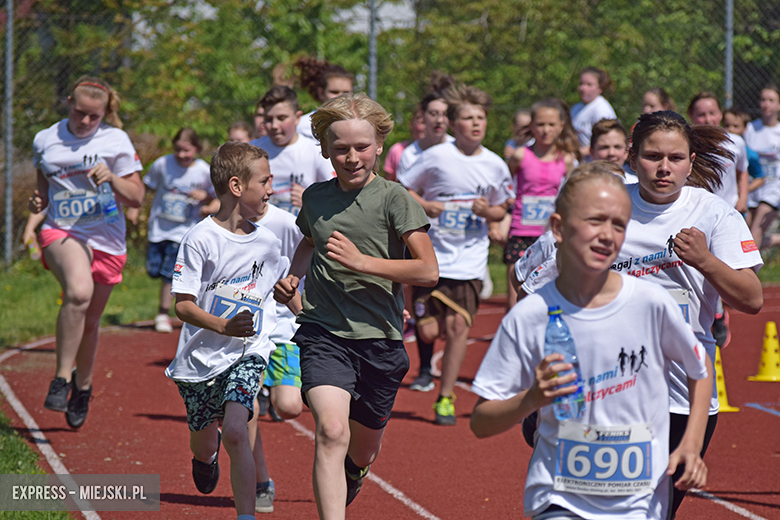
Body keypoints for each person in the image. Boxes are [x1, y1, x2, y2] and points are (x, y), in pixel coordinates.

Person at [508, 111, 764, 517]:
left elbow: (751, 299)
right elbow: (526, 279)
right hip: (596, 388)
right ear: (632, 156)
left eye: (676, 158)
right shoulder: (602, 204)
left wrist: (705, 261)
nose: (664, 168)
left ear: (691, 162)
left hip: (678, 395)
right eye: (652, 156)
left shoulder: (714, 214)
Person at [470, 168, 712, 520]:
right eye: (595, 221)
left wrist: (691, 444)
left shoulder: (651, 304)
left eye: (618, 224)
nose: (607, 235)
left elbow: (700, 370)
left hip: (640, 504)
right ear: (559, 228)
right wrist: (532, 399)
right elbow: (480, 422)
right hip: (559, 499)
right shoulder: (530, 316)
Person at [273, 93, 438, 518]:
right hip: (324, 332)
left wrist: (364, 263)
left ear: (379, 145)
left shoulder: (394, 199)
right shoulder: (315, 199)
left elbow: (428, 271)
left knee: (362, 451)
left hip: (380, 341)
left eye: (361, 147)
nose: (351, 157)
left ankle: (356, 469)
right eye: (340, 148)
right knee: (330, 430)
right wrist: (294, 276)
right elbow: (308, 242)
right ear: (326, 150)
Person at [166, 141, 289, 520]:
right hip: (200, 360)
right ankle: (205, 456)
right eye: (265, 181)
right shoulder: (199, 239)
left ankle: (246, 515)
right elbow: (183, 305)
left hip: (248, 350)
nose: (272, 189)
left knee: (237, 430)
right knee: (206, 444)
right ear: (237, 186)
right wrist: (221, 324)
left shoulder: (268, 243)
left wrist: (297, 300)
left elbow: (281, 292)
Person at [29, 76, 144, 429]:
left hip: (107, 237)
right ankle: (61, 379)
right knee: (78, 292)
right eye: (80, 113)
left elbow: (136, 197)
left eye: (94, 117)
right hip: (62, 231)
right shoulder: (46, 139)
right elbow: (42, 191)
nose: (85, 122)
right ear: (68, 103)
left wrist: (112, 178)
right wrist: (37, 205)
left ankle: (83, 386)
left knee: (91, 322)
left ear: (104, 114)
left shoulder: (115, 140)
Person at [400, 84, 513, 425]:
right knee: (431, 332)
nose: (476, 124)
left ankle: (445, 397)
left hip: (469, 259)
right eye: (467, 117)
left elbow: (503, 207)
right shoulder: (435, 157)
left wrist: (488, 212)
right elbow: (403, 190)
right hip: (432, 255)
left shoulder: (495, 165)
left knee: (458, 326)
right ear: (453, 123)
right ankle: (424, 332)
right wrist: (426, 204)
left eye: (481, 118)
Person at [247, 196, 306, 513]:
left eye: (269, 181)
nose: (268, 190)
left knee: (290, 407)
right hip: (243, 331)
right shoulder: (214, 229)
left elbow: (312, 252)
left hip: (282, 327)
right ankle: (261, 482)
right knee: (247, 410)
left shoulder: (285, 222)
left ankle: (271, 392)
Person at [503, 98, 578, 310]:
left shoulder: (568, 159)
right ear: (531, 126)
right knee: (516, 294)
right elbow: (504, 187)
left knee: (550, 293)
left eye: (552, 124)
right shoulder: (520, 155)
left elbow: (572, 193)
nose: (546, 130)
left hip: (552, 234)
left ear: (561, 126)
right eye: (540, 124)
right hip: (521, 231)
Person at [143, 128, 214, 333]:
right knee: (153, 270)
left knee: (168, 274)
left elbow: (214, 194)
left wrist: (205, 197)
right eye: (178, 150)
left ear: (197, 149)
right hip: (159, 228)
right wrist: (134, 207)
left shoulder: (202, 170)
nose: (182, 155)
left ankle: (163, 313)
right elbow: (146, 186)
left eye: (187, 151)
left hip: (184, 230)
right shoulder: (162, 165)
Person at [250, 85, 334, 215]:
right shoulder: (252, 151)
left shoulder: (316, 151)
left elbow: (336, 196)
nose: (274, 126)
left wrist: (310, 200)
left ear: (298, 118)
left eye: (281, 118)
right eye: (268, 119)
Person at [687, 92, 749, 213]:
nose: (708, 119)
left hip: (729, 209)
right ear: (691, 116)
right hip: (697, 211)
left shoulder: (736, 142)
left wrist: (743, 198)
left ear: (720, 113)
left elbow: (743, 172)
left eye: (712, 113)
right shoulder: (685, 145)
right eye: (701, 115)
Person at [744, 84, 780, 249]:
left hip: (774, 188)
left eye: (771, 100)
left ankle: (750, 272)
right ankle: (775, 240)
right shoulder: (751, 129)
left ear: (778, 105)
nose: (766, 104)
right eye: (763, 100)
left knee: (757, 227)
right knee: (747, 232)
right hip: (753, 187)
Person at [294, 56, 354, 140]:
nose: (341, 97)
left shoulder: (359, 124)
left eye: (346, 93)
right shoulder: (302, 127)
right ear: (321, 93)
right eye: (334, 92)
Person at [570, 67, 616, 160]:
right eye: (581, 84)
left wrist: (581, 152)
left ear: (600, 88)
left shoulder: (602, 110)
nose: (583, 88)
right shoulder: (576, 108)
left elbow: (607, 141)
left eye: (589, 85)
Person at [723, 108, 765, 196]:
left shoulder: (749, 154)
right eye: (727, 125)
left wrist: (743, 191)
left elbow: (760, 178)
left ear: (745, 128)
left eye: (736, 126)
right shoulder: (718, 150)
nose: (731, 129)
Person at [382, 108, 425, 182]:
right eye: (420, 122)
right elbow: (388, 183)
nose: (424, 127)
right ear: (411, 124)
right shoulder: (397, 150)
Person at [589, 118, 637, 182]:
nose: (611, 153)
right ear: (592, 152)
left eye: (617, 147)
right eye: (604, 147)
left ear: (627, 152)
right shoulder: (579, 184)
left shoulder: (637, 184)